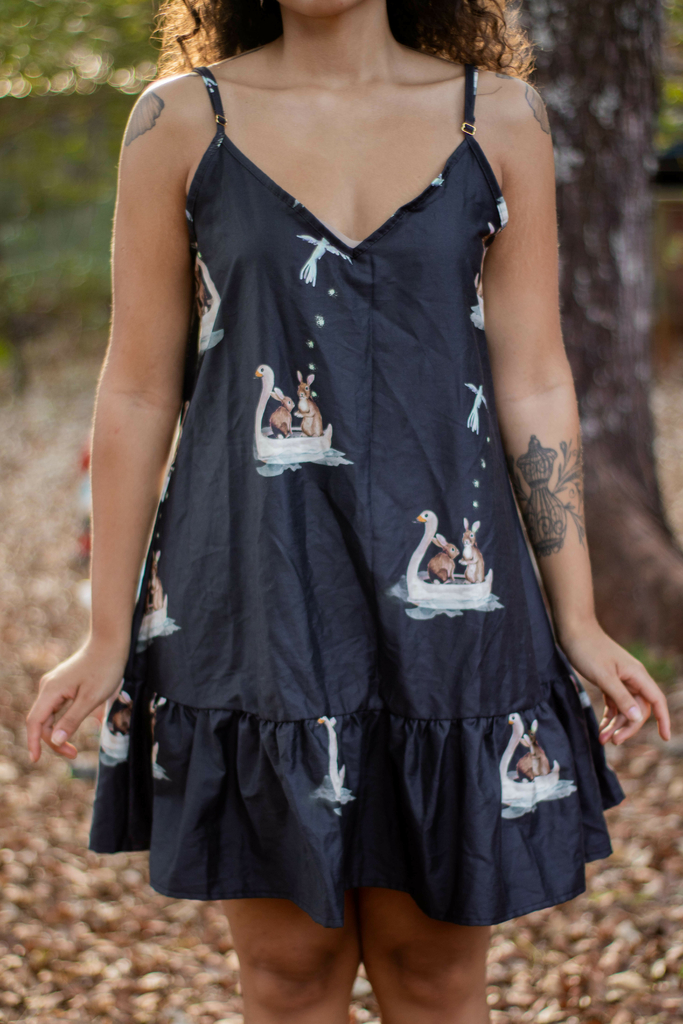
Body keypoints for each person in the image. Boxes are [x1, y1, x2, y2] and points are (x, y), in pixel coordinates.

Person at [26, 2, 671, 1021]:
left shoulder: (499, 118)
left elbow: (535, 379)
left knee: (433, 971)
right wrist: (107, 633)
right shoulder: (178, 121)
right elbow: (139, 388)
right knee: (289, 971)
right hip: (253, 593)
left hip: (459, 611)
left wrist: (578, 617)